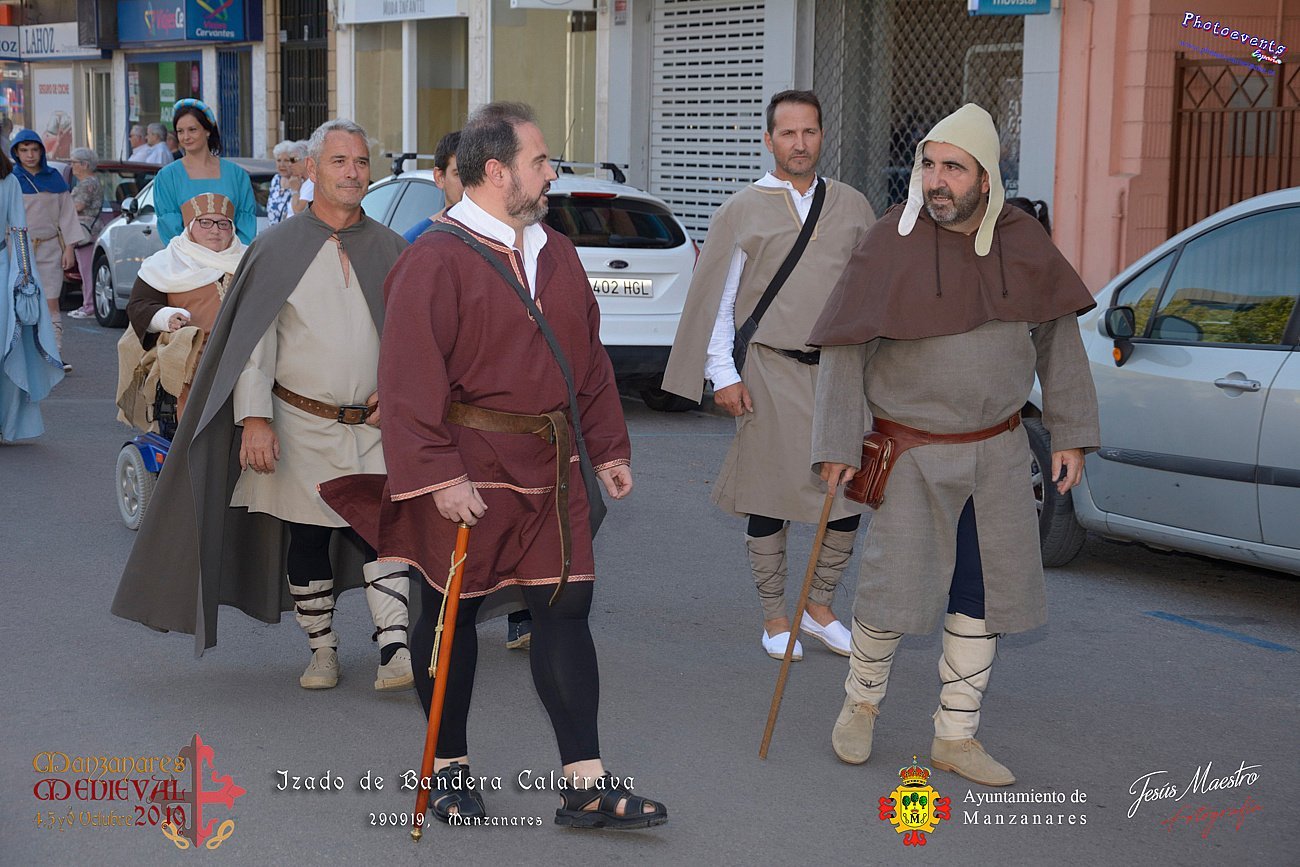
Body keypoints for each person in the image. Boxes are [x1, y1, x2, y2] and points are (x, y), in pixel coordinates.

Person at [318, 102, 667, 829]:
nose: (552, 174)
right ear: (498, 170)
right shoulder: (433, 259)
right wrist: (439, 476)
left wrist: (608, 445)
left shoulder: (558, 251)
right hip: (466, 469)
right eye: (541, 162)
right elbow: (408, 379)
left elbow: (588, 359)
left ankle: (585, 782)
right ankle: (448, 768)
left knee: (566, 610)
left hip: (552, 468)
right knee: (452, 617)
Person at [809, 103, 1100, 786]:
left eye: (953, 168)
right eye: (929, 165)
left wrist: (1071, 432)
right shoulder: (890, 241)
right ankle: (861, 704)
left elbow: (1059, 340)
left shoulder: (1023, 241)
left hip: (999, 454)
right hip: (913, 454)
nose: (936, 180)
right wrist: (837, 441)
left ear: (986, 177)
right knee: (893, 587)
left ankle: (956, 734)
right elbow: (845, 349)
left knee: (982, 590)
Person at [111, 120, 410, 694]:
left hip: (374, 426)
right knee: (308, 538)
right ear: (313, 169)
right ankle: (322, 650)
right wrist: (254, 419)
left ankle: (394, 648)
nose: (353, 173)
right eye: (340, 161)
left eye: (361, 162)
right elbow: (254, 342)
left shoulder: (392, 248)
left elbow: (412, 336)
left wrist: (398, 391)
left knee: (384, 531)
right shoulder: (277, 247)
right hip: (299, 422)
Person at [662, 90, 875, 661]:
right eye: (788, 133)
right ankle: (776, 617)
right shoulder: (742, 209)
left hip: (840, 372)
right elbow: (719, 299)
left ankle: (819, 607)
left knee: (846, 494)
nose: (799, 143)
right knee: (771, 494)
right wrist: (722, 374)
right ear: (769, 140)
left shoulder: (853, 206)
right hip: (769, 369)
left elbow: (873, 292)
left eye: (809, 132)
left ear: (822, 136)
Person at [120, 193, 246, 419]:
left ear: (232, 228)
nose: (215, 230)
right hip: (195, 358)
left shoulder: (249, 259)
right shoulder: (166, 263)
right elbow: (139, 305)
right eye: (205, 222)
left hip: (247, 354)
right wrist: (164, 316)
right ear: (189, 226)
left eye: (223, 223)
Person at [1, 145, 64, 442]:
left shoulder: (8, 180)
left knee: (5, 347)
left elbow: (18, 230)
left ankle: (6, 422)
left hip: (1, 269)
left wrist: (25, 278)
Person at [11, 129, 85, 370]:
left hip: (50, 247)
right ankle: (21, 357)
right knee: (19, 303)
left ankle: (54, 354)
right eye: (24, 150)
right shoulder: (10, 180)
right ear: (16, 152)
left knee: (51, 302)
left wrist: (69, 248)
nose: (30, 155)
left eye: (34, 149)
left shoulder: (55, 179)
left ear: (42, 151)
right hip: (18, 250)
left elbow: (68, 216)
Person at [152, 99, 257, 245]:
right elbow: (170, 227)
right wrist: (197, 255)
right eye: (180, 131)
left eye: (192, 130)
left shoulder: (237, 175)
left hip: (232, 257)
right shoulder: (167, 177)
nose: (186, 137)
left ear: (207, 131)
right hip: (185, 257)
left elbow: (245, 223)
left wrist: (232, 254)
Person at [401, 130, 462, 243]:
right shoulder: (415, 242)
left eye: (474, 173)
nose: (468, 182)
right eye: (458, 174)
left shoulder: (496, 233)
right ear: (439, 177)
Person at [67, 148, 105, 320]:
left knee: (87, 270)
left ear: (84, 164)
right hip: (85, 231)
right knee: (85, 270)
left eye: (74, 162)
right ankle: (87, 304)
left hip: (86, 232)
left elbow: (78, 206)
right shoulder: (88, 182)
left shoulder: (87, 183)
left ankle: (89, 306)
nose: (71, 166)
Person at [267, 140, 307, 225]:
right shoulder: (276, 179)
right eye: (278, 160)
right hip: (272, 230)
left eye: (286, 160)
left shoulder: (301, 182)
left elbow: (299, 211)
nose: (282, 165)